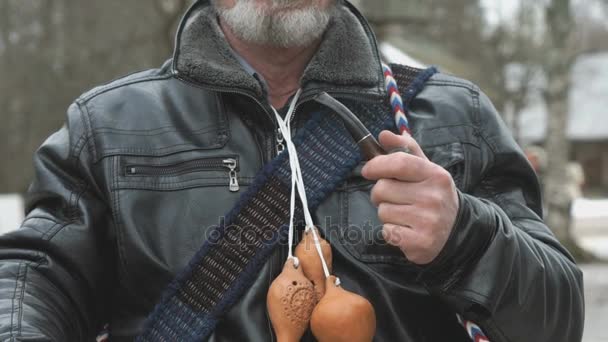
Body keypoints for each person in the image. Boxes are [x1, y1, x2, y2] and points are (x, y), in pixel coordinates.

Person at [0, 0, 584, 341]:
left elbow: (558, 321)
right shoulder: (107, 125)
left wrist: (466, 235)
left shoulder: (457, 117)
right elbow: (37, 277)